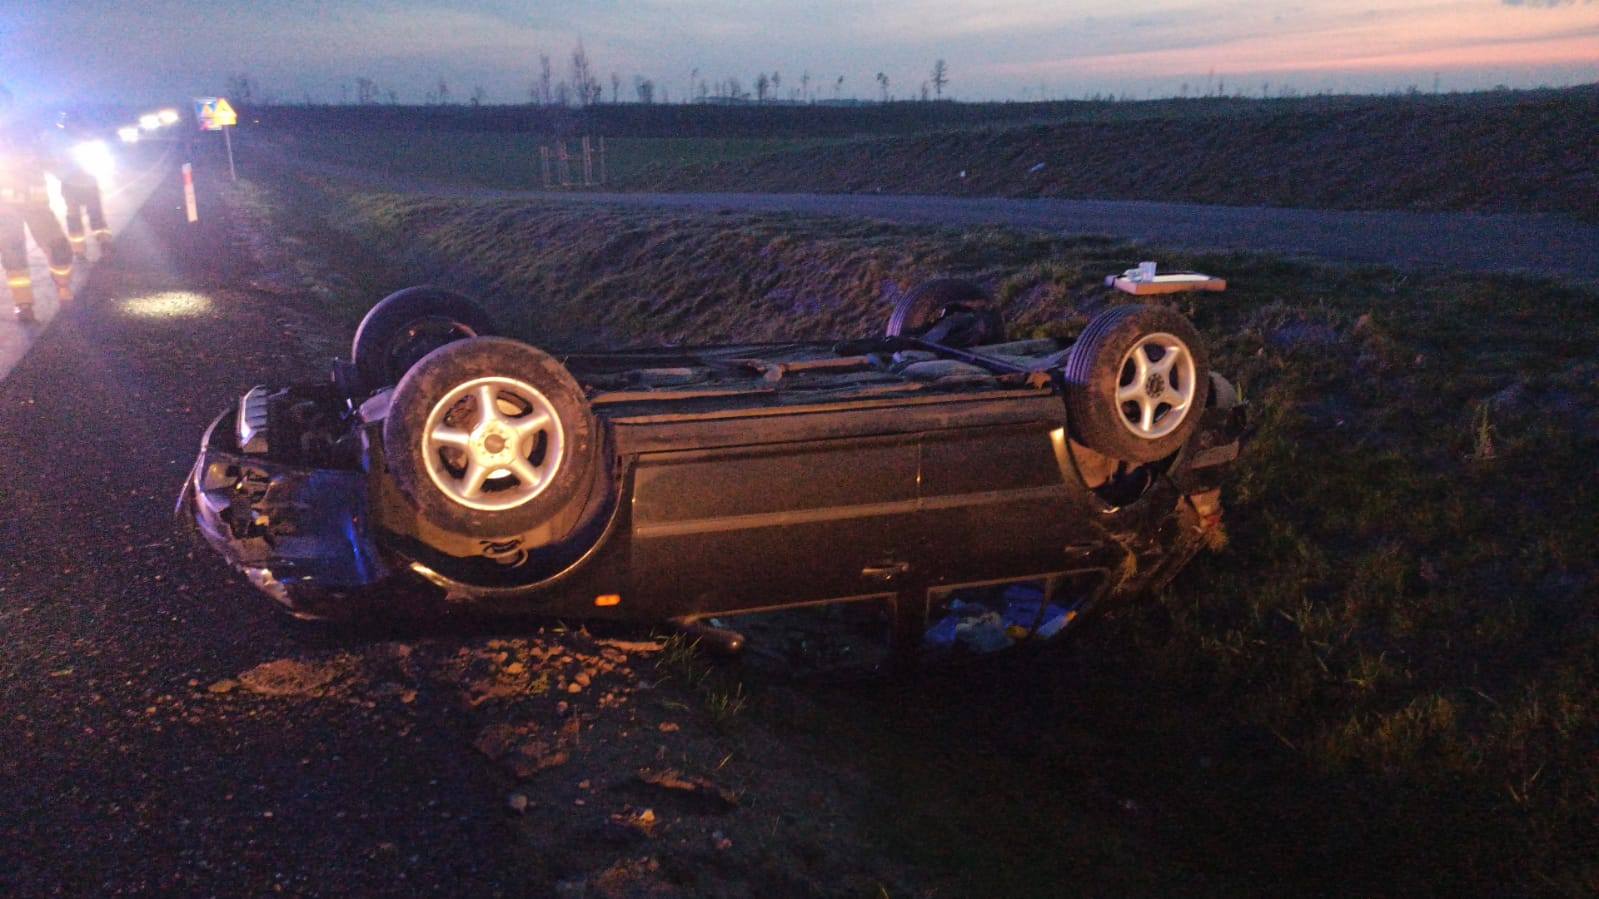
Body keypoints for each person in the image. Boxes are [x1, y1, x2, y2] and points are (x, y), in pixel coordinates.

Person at [0, 124, 74, 322]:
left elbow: (54, 162)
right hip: (5, 211)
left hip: (38, 208)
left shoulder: (28, 134)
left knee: (59, 249)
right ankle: (23, 305)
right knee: (13, 256)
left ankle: (63, 285)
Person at [49, 111, 112, 259]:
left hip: (88, 182)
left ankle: (104, 243)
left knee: (96, 214)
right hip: (70, 185)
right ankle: (78, 249)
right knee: (74, 217)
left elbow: (100, 158)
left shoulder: (88, 139)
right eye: (73, 124)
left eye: (77, 124)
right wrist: (62, 174)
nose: (76, 127)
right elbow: (54, 162)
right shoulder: (60, 141)